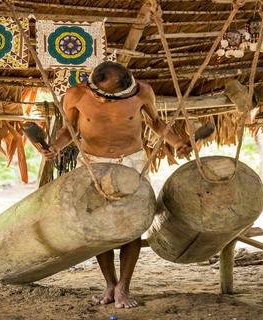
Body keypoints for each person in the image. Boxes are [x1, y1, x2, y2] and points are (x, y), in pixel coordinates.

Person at [42, 61, 193, 309]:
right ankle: (110, 284)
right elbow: (68, 129)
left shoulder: (142, 91)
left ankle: (124, 286)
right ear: (95, 89)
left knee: (132, 224)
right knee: (98, 226)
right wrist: (55, 148)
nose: (113, 102)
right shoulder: (76, 94)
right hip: (92, 161)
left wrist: (176, 142)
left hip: (132, 160)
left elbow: (155, 123)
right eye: (109, 98)